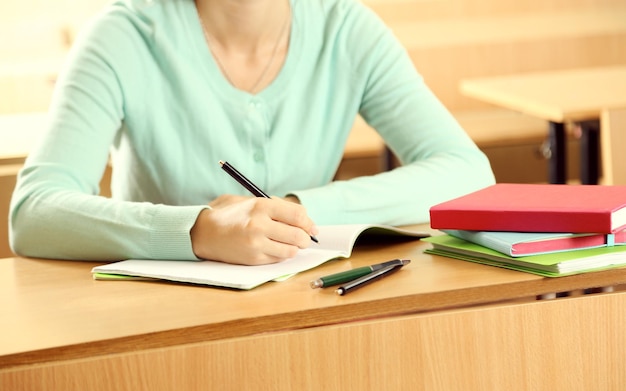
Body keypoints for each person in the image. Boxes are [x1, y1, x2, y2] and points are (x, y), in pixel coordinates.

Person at [9, 0, 495, 265]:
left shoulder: (346, 27)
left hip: (306, 305)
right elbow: (34, 211)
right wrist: (197, 231)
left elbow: (468, 173)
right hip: (161, 321)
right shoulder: (121, 35)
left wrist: (295, 211)